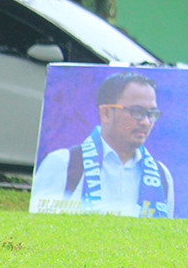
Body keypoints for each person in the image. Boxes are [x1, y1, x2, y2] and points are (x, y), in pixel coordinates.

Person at [30, 71, 174, 218]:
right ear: (106, 113)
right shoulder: (62, 164)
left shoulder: (161, 176)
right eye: (137, 112)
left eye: (152, 114)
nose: (146, 122)